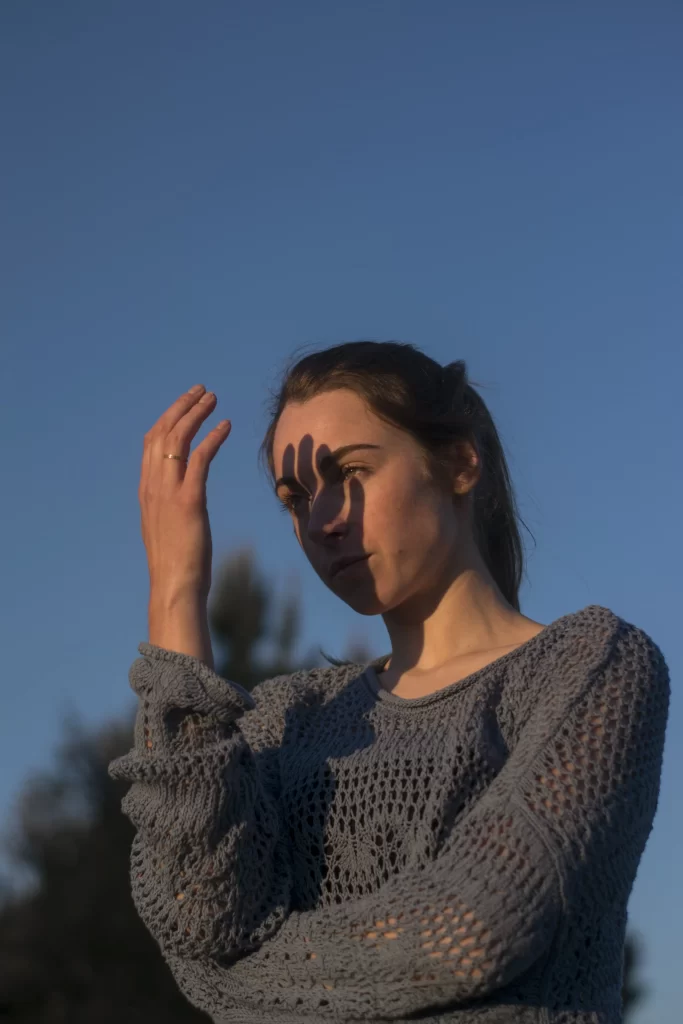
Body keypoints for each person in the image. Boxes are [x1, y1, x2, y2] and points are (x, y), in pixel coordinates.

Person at [110, 340, 670, 1024]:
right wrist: (175, 593)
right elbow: (195, 915)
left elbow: (472, 931)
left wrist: (227, 983)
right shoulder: (289, 717)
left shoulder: (587, 665)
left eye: (349, 471)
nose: (322, 521)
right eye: (295, 498)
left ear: (460, 463)